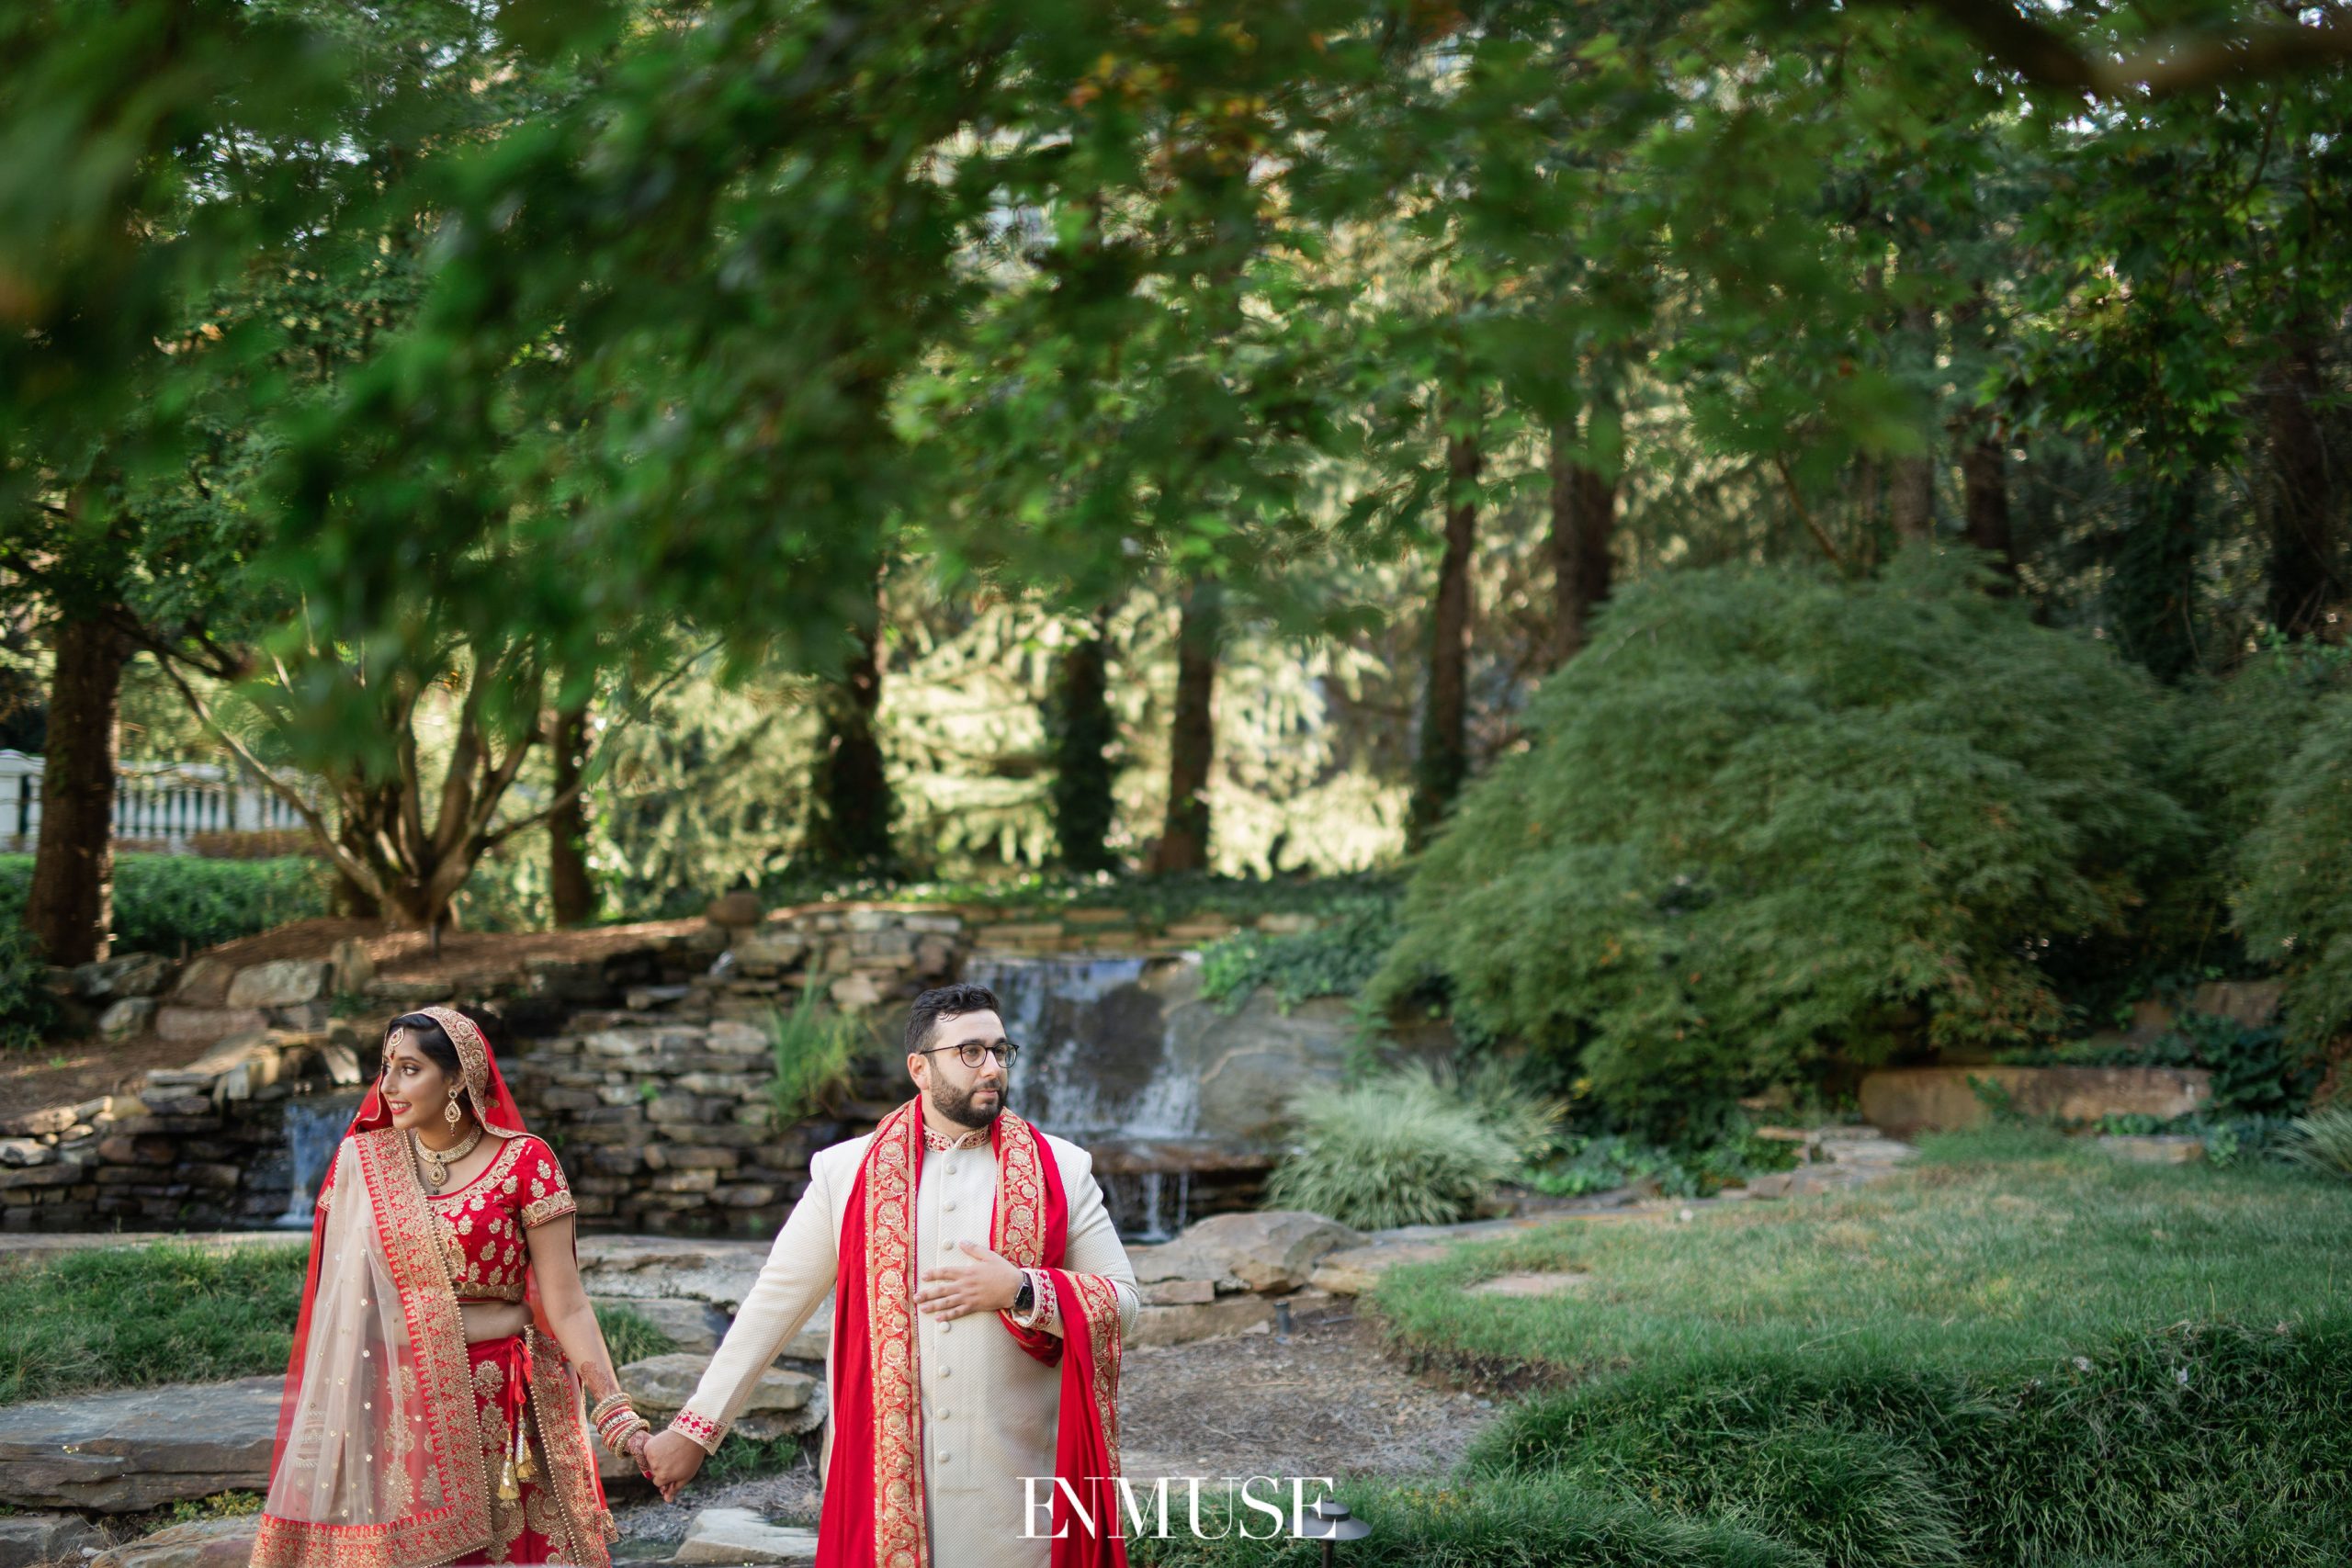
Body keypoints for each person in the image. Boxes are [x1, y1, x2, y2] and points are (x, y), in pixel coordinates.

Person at [639, 981, 1141, 1568]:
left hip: (1020, 1498)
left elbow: (1124, 1304)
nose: (992, 1068)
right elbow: (776, 1301)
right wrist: (696, 1429)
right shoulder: (844, 1172)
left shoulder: (1062, 1168)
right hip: (883, 1494)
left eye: (1000, 1051)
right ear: (919, 1068)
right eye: (970, 1052)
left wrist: (1023, 1289)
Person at [252, 1006, 656, 1568]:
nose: (387, 1086)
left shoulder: (525, 1162)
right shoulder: (361, 1164)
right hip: (396, 1407)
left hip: (503, 1405)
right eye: (386, 1067)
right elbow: (338, 1313)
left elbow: (567, 1305)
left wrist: (617, 1418)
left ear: (458, 1078)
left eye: (409, 1069)